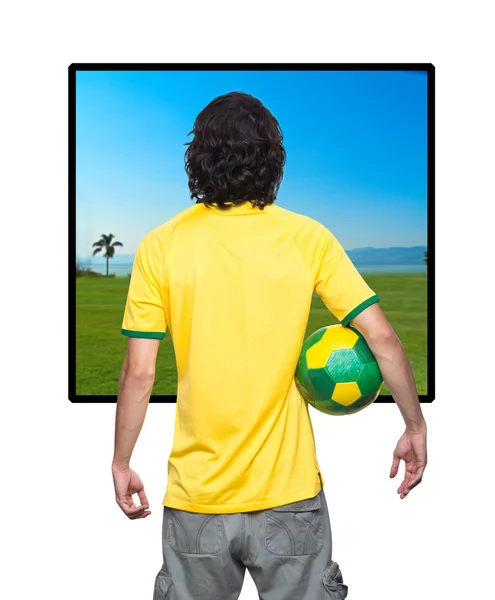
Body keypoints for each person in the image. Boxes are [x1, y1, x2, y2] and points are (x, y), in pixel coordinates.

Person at [111, 91, 427, 600]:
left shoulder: (161, 244)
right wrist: (414, 425)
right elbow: (383, 337)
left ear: (199, 157)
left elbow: (139, 372)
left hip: (197, 500)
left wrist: (122, 462)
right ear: (273, 160)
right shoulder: (308, 238)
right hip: (290, 500)